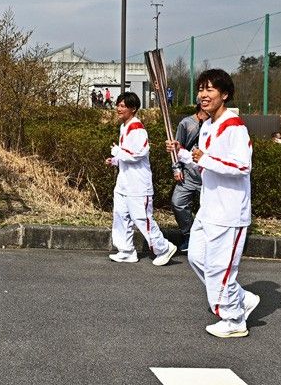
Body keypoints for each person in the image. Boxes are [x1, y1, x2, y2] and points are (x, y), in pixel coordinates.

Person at [165, 69, 259, 339]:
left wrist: (203, 158)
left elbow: (242, 166)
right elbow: (201, 158)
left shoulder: (235, 127)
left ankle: (233, 318)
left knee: (221, 268)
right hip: (209, 207)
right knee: (196, 257)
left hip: (229, 211)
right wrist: (181, 153)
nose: (203, 95)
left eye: (210, 90)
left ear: (224, 94)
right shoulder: (207, 125)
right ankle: (241, 298)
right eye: (201, 90)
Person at [105, 92, 177, 266]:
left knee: (142, 218)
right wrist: (115, 160)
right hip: (124, 182)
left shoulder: (137, 128)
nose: (119, 109)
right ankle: (126, 250)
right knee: (121, 216)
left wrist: (117, 153)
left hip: (138, 184)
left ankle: (164, 248)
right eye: (118, 105)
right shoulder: (125, 127)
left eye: (123, 106)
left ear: (133, 109)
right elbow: (127, 154)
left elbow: (138, 153)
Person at [171, 104, 210, 253]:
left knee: (208, 208)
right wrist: (176, 168)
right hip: (188, 174)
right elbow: (177, 147)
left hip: (207, 175)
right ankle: (189, 235)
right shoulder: (186, 123)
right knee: (177, 203)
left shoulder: (214, 124)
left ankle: (205, 240)